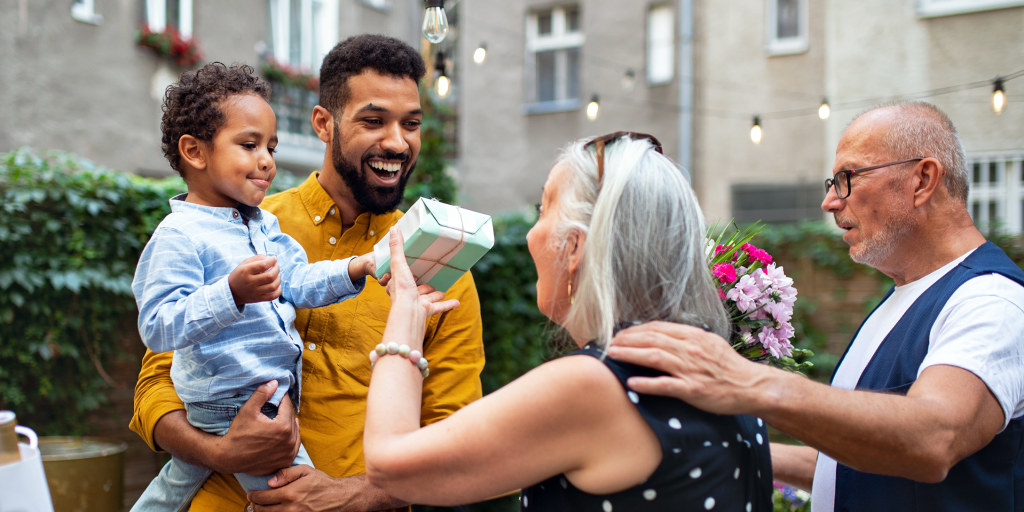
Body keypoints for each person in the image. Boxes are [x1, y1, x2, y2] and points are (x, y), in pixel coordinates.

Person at [607, 101, 1024, 511]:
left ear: (923, 180)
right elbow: (845, 466)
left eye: (847, 177)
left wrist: (745, 383)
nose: (830, 202)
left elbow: (935, 438)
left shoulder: (990, 300)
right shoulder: (904, 296)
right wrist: (709, 445)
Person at [129, 35, 485, 511]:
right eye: (374, 120)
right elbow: (157, 378)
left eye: (412, 124)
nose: (398, 142)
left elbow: (454, 441)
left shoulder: (441, 269)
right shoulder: (236, 225)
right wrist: (221, 451)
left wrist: (350, 497)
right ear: (324, 123)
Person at [362, 132, 774, 511]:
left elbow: (390, 466)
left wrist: (404, 318)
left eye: (544, 210)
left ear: (575, 247)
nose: (529, 235)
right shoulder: (723, 372)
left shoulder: (595, 385)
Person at [130, 62, 377, 511]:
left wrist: (356, 269)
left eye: (271, 147)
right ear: (195, 152)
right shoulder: (179, 235)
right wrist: (231, 294)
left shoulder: (264, 226)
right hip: (233, 402)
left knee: (172, 489)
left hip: (254, 393)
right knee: (293, 494)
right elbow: (158, 326)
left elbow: (299, 281)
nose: (267, 160)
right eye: (249, 145)